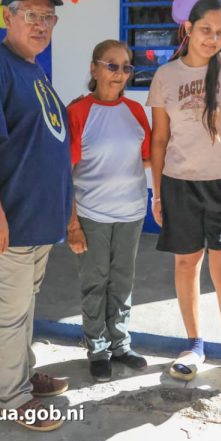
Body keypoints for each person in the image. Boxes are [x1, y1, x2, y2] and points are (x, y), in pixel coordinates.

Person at [0, 0, 71, 432]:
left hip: (37, 218)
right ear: (8, 17)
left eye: (49, 17)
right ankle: (14, 397)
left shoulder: (33, 67)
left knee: (25, 305)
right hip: (11, 220)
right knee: (9, 312)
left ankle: (23, 373)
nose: (41, 24)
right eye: (31, 15)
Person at [147, 0, 221, 393]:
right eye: (206, 30)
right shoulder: (165, 76)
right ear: (188, 29)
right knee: (185, 266)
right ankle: (194, 346)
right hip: (178, 186)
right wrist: (157, 194)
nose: (213, 39)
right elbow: (159, 139)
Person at [66, 40, 151, 382]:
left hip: (131, 212)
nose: (119, 73)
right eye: (111, 65)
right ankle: (98, 349)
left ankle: (120, 344)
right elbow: (65, 173)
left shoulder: (135, 111)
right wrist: (72, 224)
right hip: (92, 214)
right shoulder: (78, 113)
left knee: (122, 282)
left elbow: (147, 158)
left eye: (126, 67)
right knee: (95, 283)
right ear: (94, 68)